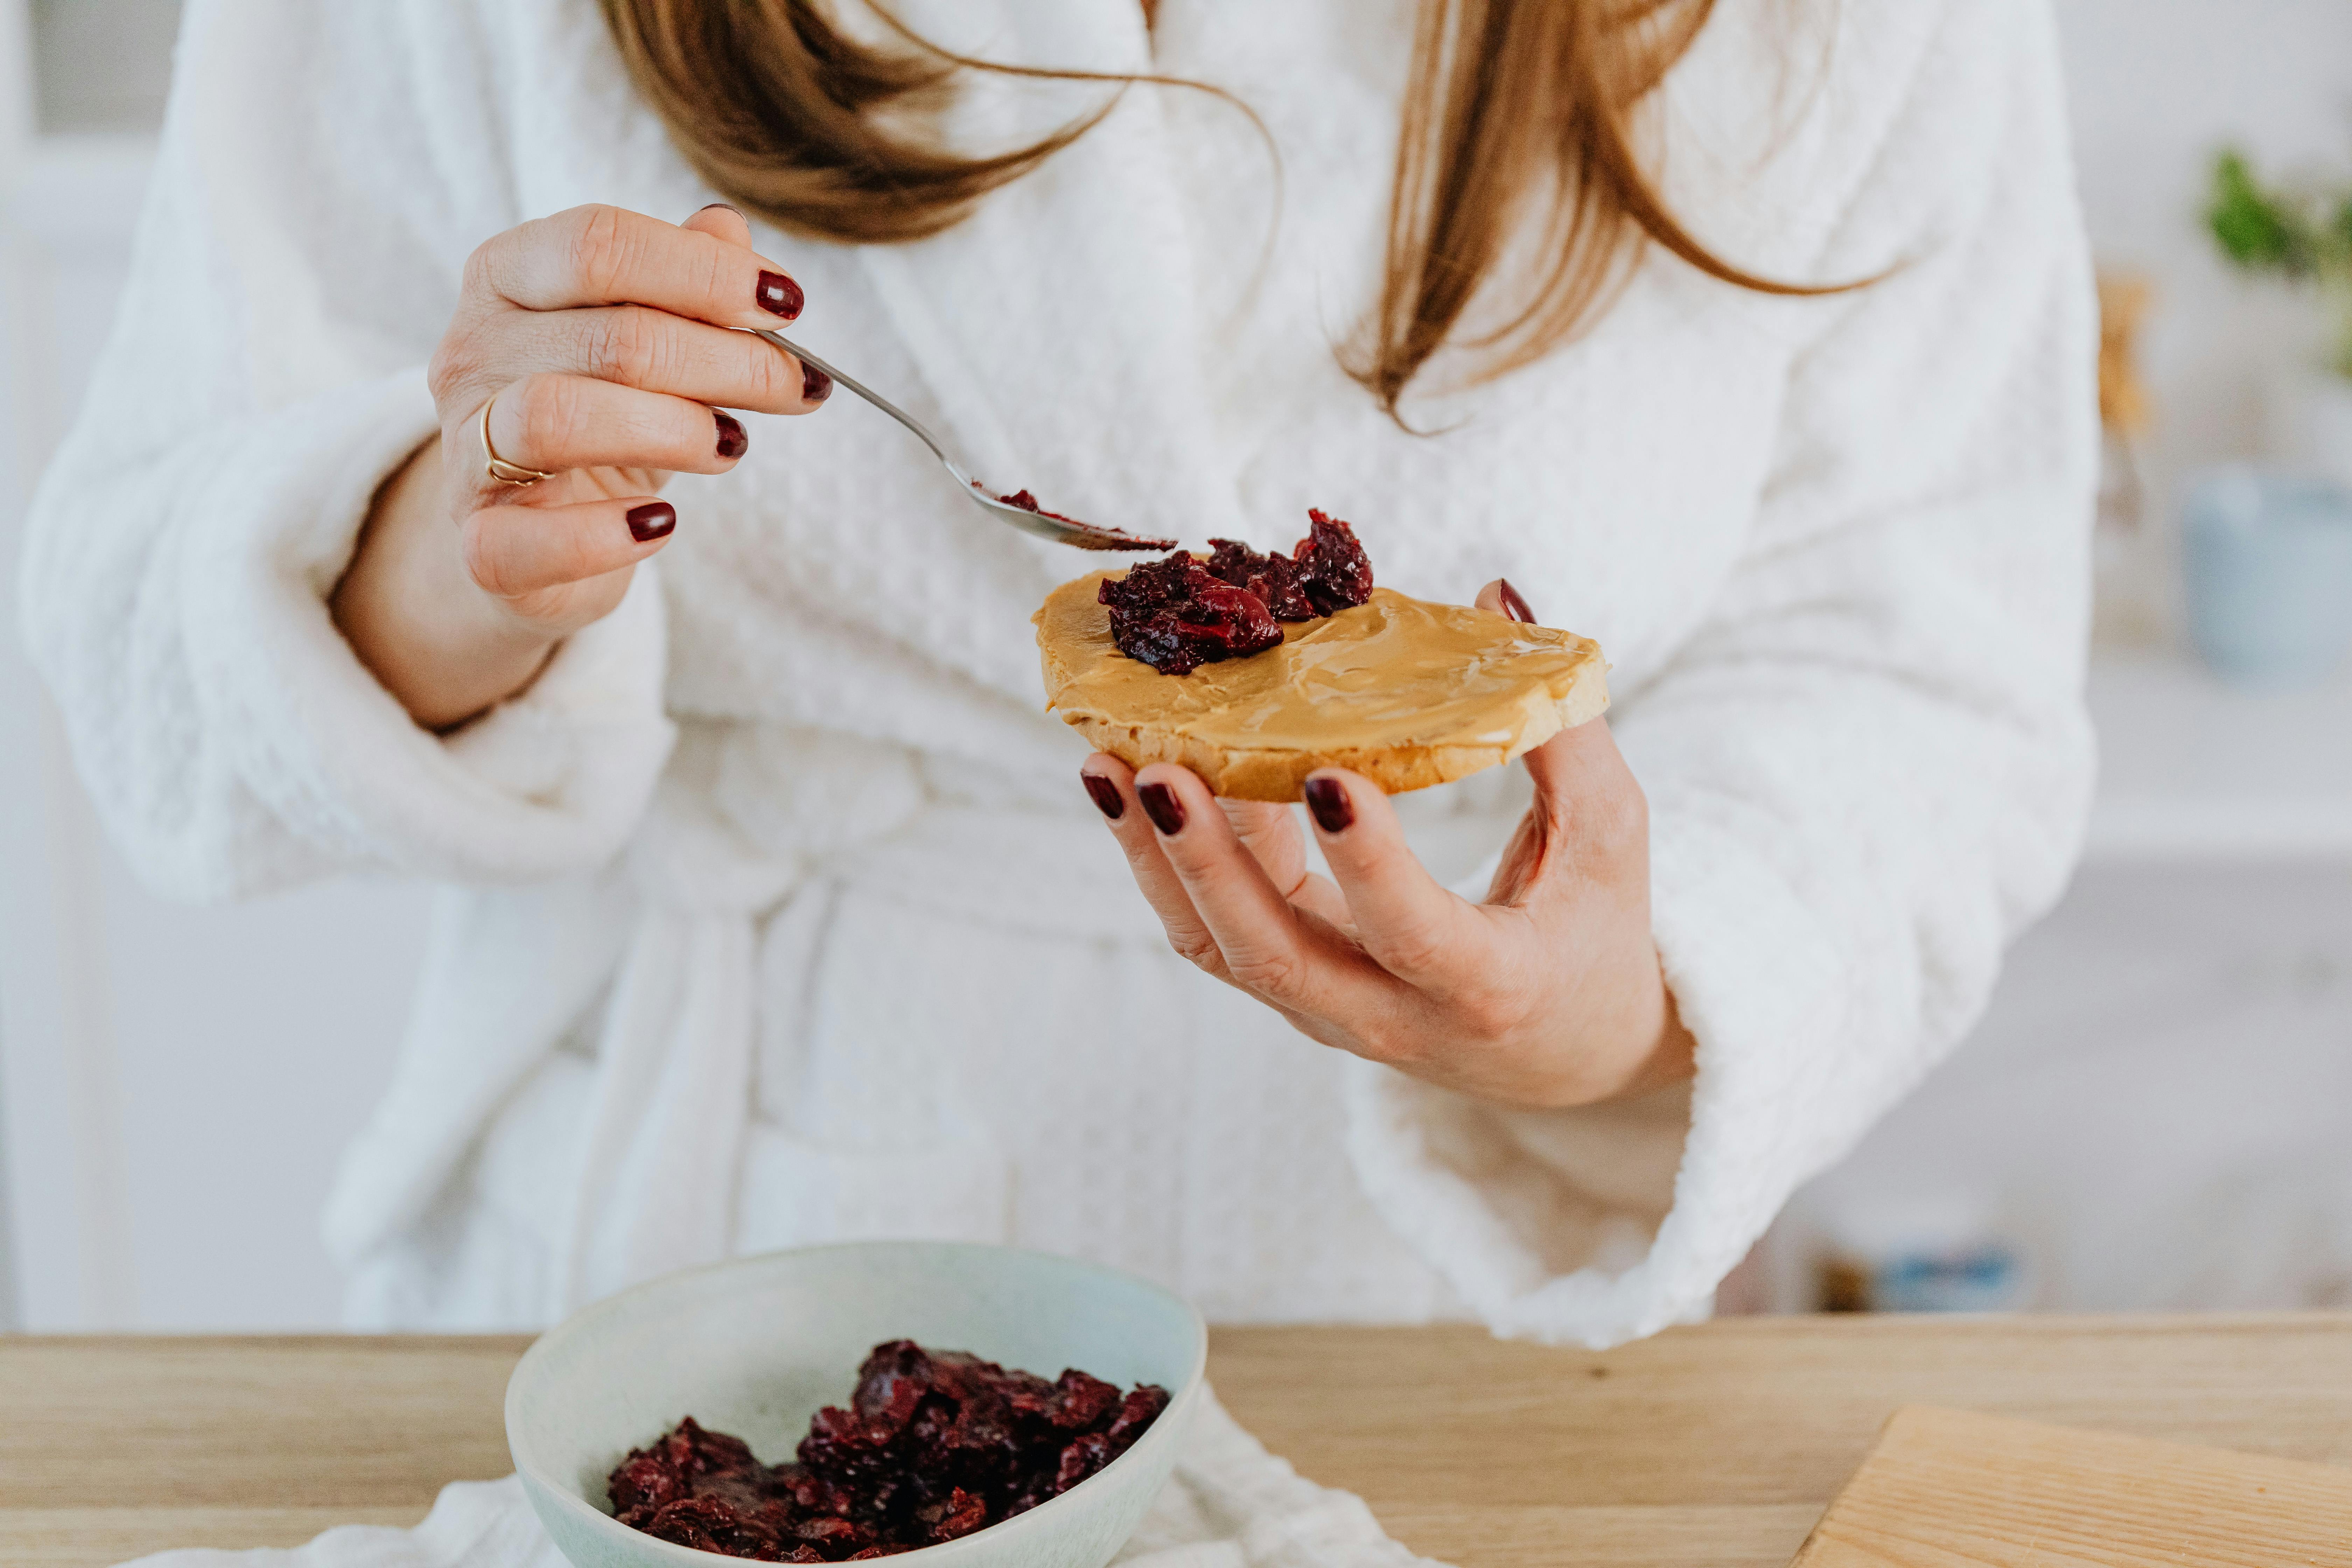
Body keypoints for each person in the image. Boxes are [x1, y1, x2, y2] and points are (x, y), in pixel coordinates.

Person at [21, 0, 2093, 1343]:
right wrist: (456, 557)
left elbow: (1916, 678)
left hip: (1448, 1331)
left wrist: (1602, 1021)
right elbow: (142, 647)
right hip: (701, 1260)